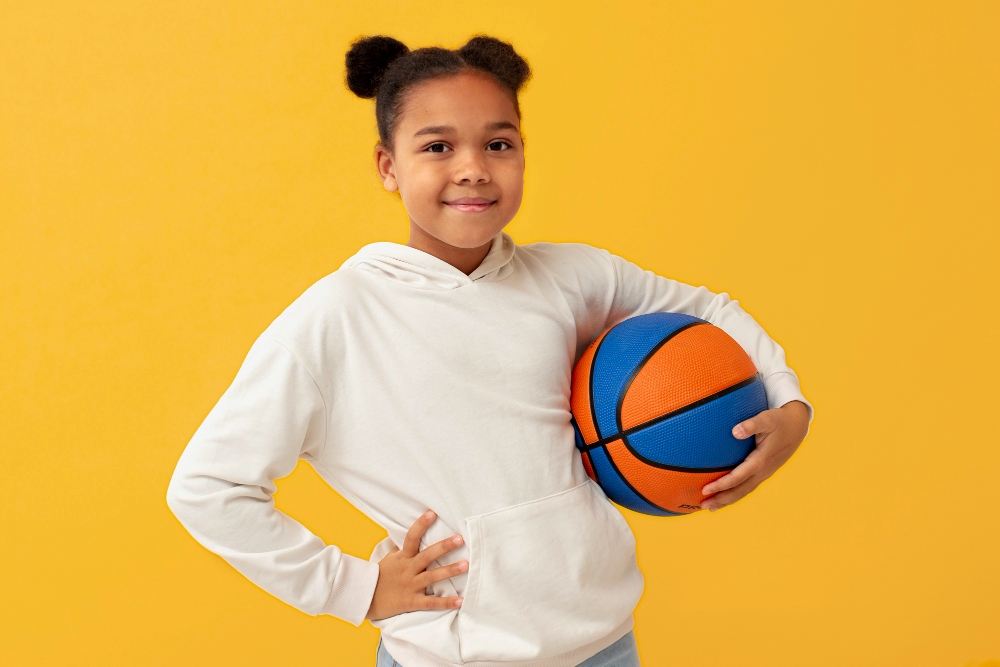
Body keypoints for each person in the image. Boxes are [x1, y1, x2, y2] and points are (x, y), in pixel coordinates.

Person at [166, 35, 812, 667]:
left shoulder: (569, 277)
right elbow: (208, 486)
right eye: (438, 146)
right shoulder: (339, 316)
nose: (473, 166)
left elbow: (711, 309)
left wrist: (786, 403)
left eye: (498, 144)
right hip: (454, 653)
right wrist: (352, 587)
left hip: (604, 640)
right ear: (388, 166)